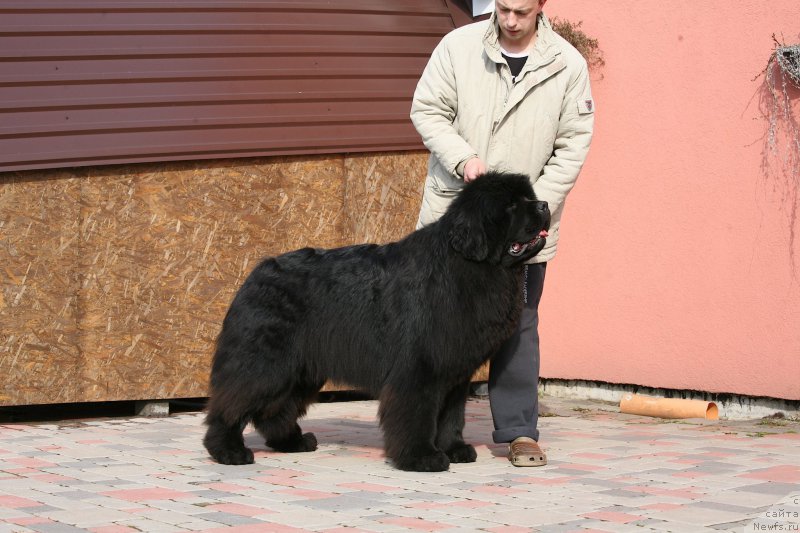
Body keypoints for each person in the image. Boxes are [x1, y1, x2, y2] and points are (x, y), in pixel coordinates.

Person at [410, 0, 594, 466]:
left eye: (522, 12)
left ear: (542, 7)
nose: (510, 21)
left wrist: (532, 208)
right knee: (436, 325)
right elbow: (427, 109)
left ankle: (518, 432)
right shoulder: (457, 46)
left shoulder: (568, 65)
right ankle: (426, 429)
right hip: (456, 223)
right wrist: (461, 157)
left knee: (518, 322)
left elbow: (573, 143)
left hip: (518, 231)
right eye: (504, 8)